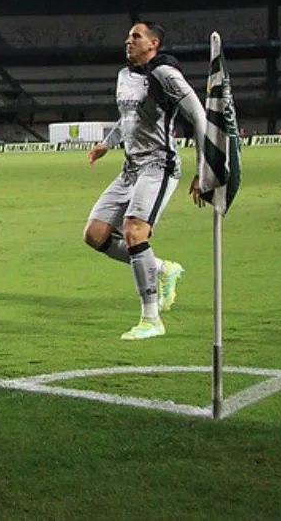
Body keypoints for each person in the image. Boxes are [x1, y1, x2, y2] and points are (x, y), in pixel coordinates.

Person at [84, 22, 206, 342]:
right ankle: (163, 268)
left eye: (136, 36)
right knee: (95, 235)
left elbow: (199, 116)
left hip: (158, 165)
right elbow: (127, 117)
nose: (128, 40)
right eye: (128, 36)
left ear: (153, 43)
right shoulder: (124, 75)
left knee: (134, 231)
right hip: (130, 167)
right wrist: (107, 143)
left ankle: (151, 319)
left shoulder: (165, 74)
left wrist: (203, 170)